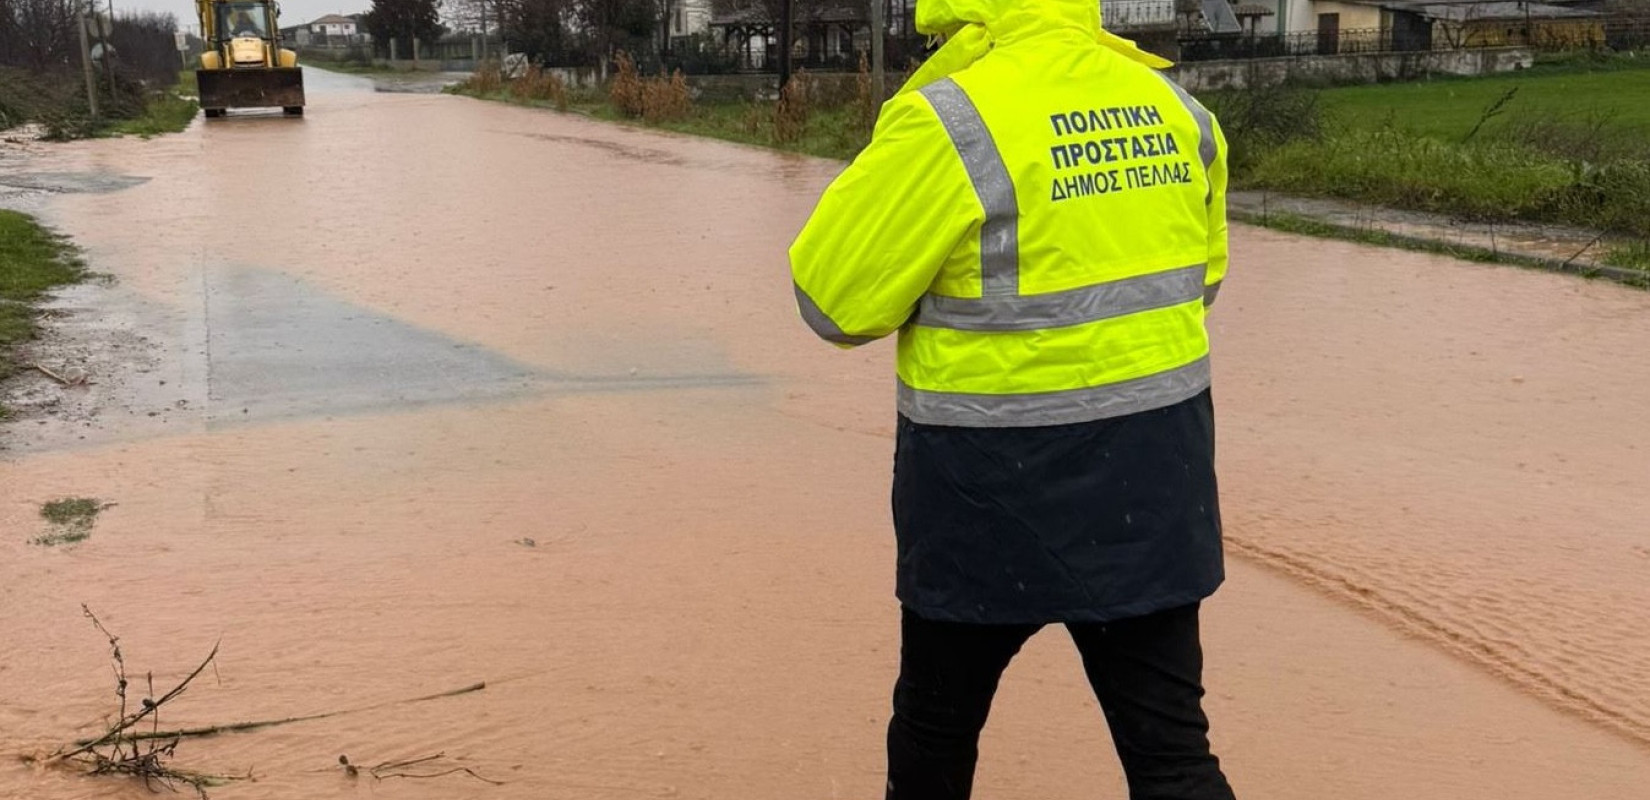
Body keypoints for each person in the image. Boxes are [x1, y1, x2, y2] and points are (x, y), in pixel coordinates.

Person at [787, 0, 1236, 796]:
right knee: (1171, 753)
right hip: (1151, 490)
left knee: (935, 730)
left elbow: (832, 302)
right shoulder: (1178, 110)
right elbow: (1198, 283)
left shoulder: (947, 121)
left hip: (986, 498)